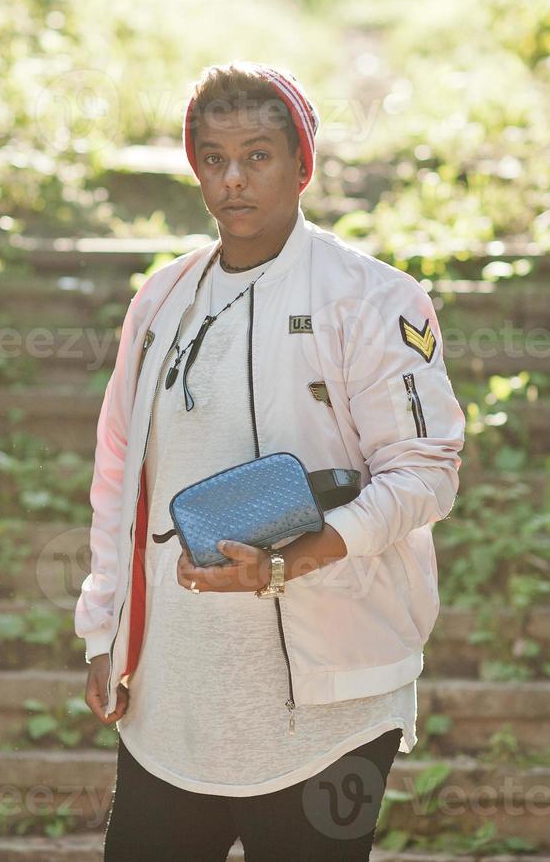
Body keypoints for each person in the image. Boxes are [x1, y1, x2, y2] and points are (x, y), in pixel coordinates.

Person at [74, 60, 466, 861]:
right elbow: (118, 475)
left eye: (256, 156)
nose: (232, 180)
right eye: (213, 159)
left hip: (329, 693)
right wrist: (103, 629)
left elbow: (426, 469)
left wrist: (297, 559)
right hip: (175, 688)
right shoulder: (158, 300)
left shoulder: (372, 298)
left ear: (300, 165)